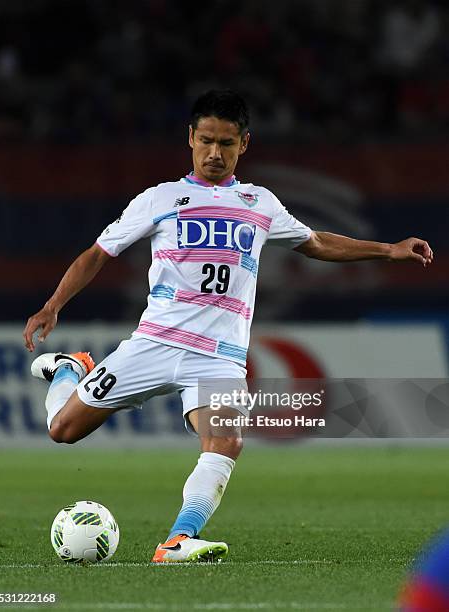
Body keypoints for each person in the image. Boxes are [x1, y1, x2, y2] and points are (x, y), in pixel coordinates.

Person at [23, 89, 433, 564]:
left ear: (245, 145)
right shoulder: (159, 198)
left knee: (225, 442)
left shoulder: (259, 203)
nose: (215, 153)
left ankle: (178, 540)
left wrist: (389, 249)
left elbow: (317, 242)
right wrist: (53, 305)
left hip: (218, 353)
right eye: (207, 141)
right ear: (191, 139)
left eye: (227, 143)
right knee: (62, 430)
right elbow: (98, 254)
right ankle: (71, 369)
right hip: (155, 342)